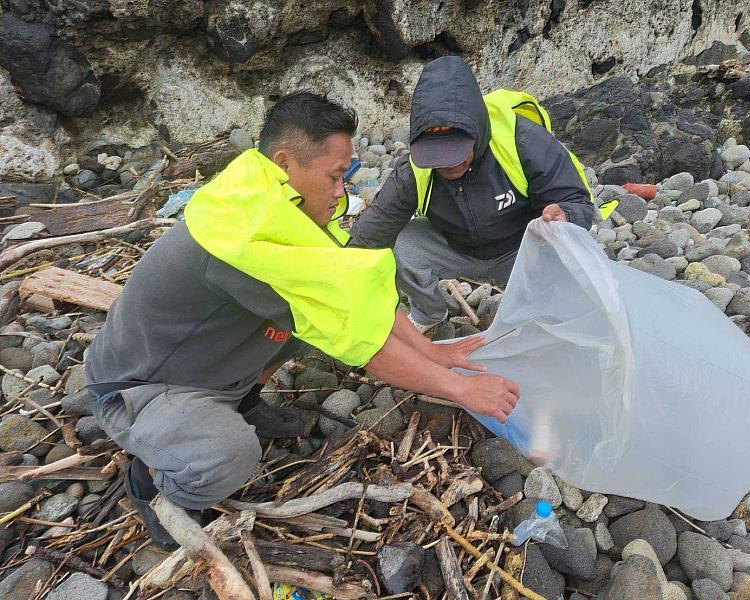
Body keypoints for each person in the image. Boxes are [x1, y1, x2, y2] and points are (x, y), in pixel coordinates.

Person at [83, 91, 519, 548]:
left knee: (308, 321)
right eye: (334, 177)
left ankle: (240, 398)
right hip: (136, 388)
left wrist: (431, 352)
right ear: (286, 162)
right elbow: (366, 347)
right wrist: (462, 388)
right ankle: (155, 481)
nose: (341, 193)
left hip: (197, 359)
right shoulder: (243, 236)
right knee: (227, 456)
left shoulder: (271, 201)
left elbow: (352, 293)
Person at [349, 56, 597, 333]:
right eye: (437, 156)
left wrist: (564, 215)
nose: (448, 164)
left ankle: (539, 314)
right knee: (398, 246)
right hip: (455, 247)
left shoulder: (523, 141)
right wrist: (337, 279)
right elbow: (371, 234)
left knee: (571, 257)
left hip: (521, 248)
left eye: (456, 152)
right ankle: (429, 312)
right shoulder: (413, 171)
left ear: (477, 133)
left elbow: (577, 201)